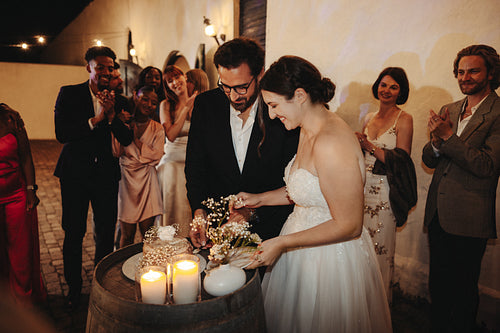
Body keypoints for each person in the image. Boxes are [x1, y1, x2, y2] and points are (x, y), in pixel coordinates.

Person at [235, 56, 391, 332]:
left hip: (329, 259)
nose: (271, 115)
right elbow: (308, 191)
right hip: (299, 246)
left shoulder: (331, 142)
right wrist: (259, 198)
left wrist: (282, 243)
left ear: (299, 95)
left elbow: (350, 224)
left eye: (273, 105)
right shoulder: (306, 129)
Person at [186, 37, 299, 247]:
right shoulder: (206, 105)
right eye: (225, 86)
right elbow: (195, 164)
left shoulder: (280, 111)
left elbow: (292, 181)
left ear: (260, 74)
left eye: (241, 87)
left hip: (272, 231)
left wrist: (252, 211)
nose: (233, 96)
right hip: (217, 229)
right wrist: (199, 210)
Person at [422, 44, 500, 333]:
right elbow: (428, 158)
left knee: (463, 289)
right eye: (460, 71)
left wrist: (448, 137)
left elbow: (488, 166)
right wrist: (436, 142)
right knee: (438, 286)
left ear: (490, 73)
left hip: (470, 215)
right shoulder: (450, 109)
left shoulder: (497, 112)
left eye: (473, 71)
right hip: (438, 212)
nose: (464, 77)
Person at [53, 46, 133, 308]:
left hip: (105, 176)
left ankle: (101, 287)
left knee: (105, 232)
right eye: (100, 67)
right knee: (74, 232)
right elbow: (62, 133)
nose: (106, 72)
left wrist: (111, 117)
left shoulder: (120, 100)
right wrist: (96, 119)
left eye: (110, 67)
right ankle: (74, 290)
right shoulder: (70, 93)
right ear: (88, 67)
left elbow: (127, 138)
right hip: (74, 174)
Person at [354, 67, 415, 303]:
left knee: (380, 248)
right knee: (361, 245)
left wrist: (367, 144)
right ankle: (360, 303)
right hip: (362, 187)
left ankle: (379, 306)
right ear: (376, 86)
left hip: (385, 191)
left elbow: (401, 161)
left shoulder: (405, 119)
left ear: (401, 92)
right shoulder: (369, 117)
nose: (386, 90)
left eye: (393, 86)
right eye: (383, 84)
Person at [0, 103, 46, 307]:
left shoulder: (11, 119)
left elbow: (26, 157)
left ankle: (23, 302)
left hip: (16, 194)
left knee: (20, 252)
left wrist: (30, 189)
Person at [156, 66, 206, 237]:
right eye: (170, 81)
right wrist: (185, 108)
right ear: (167, 86)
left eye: (177, 77)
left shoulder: (200, 101)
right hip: (172, 157)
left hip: (194, 156)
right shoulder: (166, 105)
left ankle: (193, 236)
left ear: (185, 77)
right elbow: (170, 135)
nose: (175, 82)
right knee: (171, 170)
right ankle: (170, 237)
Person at [113, 86, 165, 247]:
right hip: (126, 181)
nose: (149, 104)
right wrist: (120, 125)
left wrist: (135, 140)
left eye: (154, 103)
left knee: (148, 235)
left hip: (148, 182)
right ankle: (121, 269)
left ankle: (149, 269)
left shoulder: (157, 128)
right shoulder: (123, 123)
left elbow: (157, 156)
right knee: (126, 235)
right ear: (135, 97)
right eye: (145, 99)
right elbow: (116, 151)